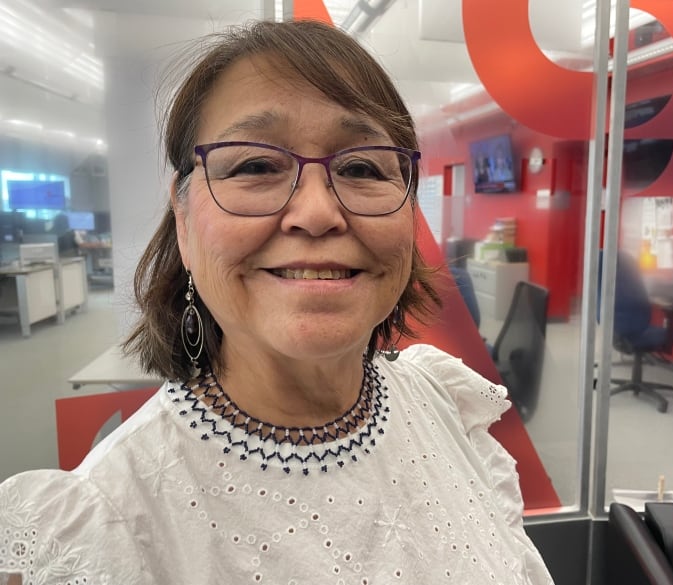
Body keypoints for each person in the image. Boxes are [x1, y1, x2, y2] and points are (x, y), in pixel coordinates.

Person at [0, 20, 554, 584]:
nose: (317, 213)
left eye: (363, 168)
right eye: (256, 166)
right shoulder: (107, 529)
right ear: (185, 222)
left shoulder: (446, 404)